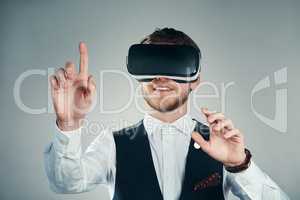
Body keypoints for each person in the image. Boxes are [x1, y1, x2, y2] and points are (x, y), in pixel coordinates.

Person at [44, 28, 289, 200]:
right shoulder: (113, 144)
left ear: (195, 80)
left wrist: (240, 165)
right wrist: (69, 123)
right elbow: (65, 182)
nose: (160, 78)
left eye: (173, 65)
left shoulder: (222, 146)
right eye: (151, 66)